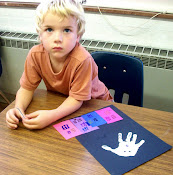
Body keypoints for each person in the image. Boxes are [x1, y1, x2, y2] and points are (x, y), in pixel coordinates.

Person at [6, 0, 113, 130]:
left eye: (67, 30)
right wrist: (18, 109)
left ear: (78, 36)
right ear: (40, 34)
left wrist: (52, 116)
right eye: (49, 29)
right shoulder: (35, 55)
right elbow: (26, 88)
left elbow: (77, 99)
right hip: (66, 102)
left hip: (97, 106)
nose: (58, 38)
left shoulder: (82, 60)